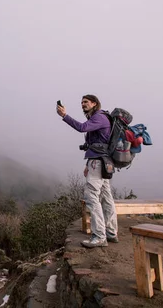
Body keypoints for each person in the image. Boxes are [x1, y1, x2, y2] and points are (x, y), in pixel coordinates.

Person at [56, 94, 118, 248]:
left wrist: (64, 115)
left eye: (86, 102)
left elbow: (81, 128)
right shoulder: (100, 118)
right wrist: (88, 163)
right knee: (106, 197)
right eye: (82, 102)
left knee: (91, 196)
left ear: (94, 103)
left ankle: (99, 236)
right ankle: (111, 233)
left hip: (98, 163)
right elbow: (96, 142)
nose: (83, 104)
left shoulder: (99, 117)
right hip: (101, 161)